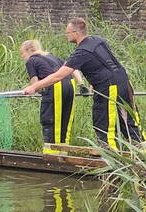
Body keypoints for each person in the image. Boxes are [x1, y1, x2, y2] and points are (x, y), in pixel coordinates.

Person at [23, 17, 141, 148]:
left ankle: (109, 158)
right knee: (129, 119)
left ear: (76, 33)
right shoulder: (98, 40)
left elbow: (58, 76)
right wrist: (90, 82)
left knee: (103, 122)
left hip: (108, 86)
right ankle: (140, 152)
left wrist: (34, 87)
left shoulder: (81, 52)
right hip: (124, 81)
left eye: (68, 33)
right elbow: (105, 61)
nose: (66, 35)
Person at [20, 39, 76, 155]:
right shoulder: (51, 56)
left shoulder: (31, 60)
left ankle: (51, 155)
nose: (22, 57)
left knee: (50, 121)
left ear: (29, 50)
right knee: (65, 121)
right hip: (71, 85)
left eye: (22, 53)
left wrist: (31, 89)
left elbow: (35, 83)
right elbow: (72, 67)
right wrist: (81, 84)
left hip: (55, 86)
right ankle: (63, 154)